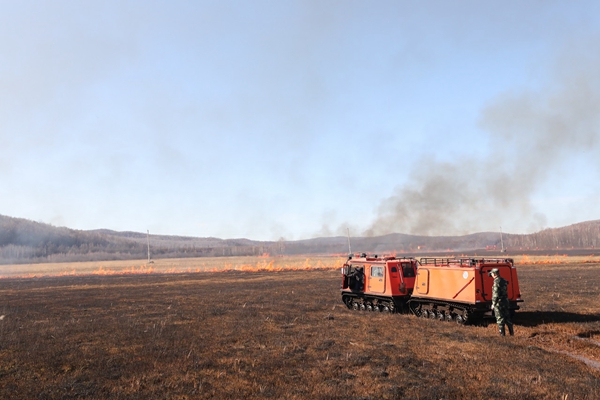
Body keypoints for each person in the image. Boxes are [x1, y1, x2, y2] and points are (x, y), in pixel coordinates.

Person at [489, 268, 514, 336]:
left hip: (499, 303)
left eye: (492, 274)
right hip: (505, 301)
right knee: (507, 318)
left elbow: (496, 294)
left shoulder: (496, 282)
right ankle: (512, 333)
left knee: (500, 319)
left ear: (494, 274)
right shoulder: (503, 280)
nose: (491, 275)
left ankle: (502, 335)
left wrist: (493, 304)